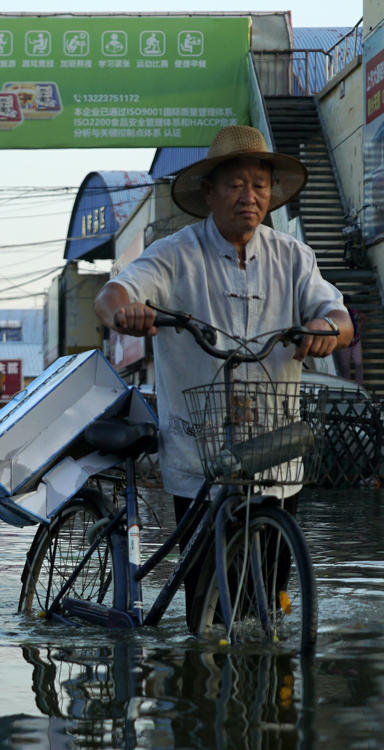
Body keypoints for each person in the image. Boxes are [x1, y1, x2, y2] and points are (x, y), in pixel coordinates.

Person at [93, 125, 352, 622]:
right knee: (205, 605)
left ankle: (266, 678)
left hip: (272, 449)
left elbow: (338, 315)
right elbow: (114, 293)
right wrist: (125, 312)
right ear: (209, 192)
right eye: (235, 185)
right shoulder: (174, 253)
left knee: (269, 602)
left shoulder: (294, 256)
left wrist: (326, 328)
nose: (249, 196)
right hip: (199, 447)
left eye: (259, 185)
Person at [334, 294, 366, 385]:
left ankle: (359, 384)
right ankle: (347, 385)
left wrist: (359, 327)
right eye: (345, 304)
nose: (346, 306)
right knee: (345, 366)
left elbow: (363, 317)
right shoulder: (337, 314)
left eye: (347, 304)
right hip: (344, 343)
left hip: (355, 341)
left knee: (358, 363)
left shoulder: (353, 312)